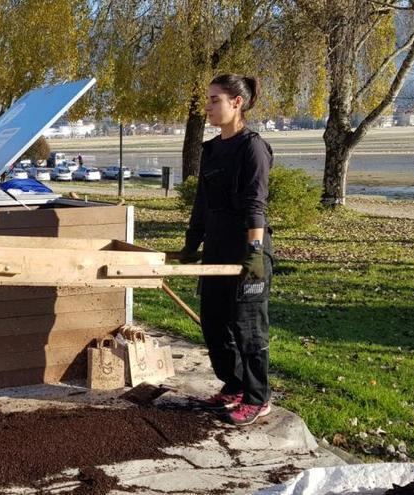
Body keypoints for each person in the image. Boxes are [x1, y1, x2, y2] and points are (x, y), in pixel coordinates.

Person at [179, 74, 274, 426]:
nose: (208, 106)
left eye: (215, 99)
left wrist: (254, 251)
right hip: (216, 247)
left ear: (238, 102)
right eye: (207, 99)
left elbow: (255, 204)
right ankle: (233, 385)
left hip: (247, 248)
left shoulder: (253, 147)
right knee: (214, 323)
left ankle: (257, 396)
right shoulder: (211, 149)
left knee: (248, 326)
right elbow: (202, 204)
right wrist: (192, 244)